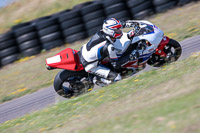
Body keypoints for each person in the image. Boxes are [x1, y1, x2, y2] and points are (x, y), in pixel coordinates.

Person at [78, 18, 136, 85]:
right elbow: (116, 65)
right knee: (117, 78)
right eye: (117, 29)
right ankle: (95, 79)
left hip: (84, 51)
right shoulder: (108, 46)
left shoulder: (102, 32)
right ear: (110, 31)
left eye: (119, 28)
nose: (120, 31)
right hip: (90, 65)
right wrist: (130, 57)